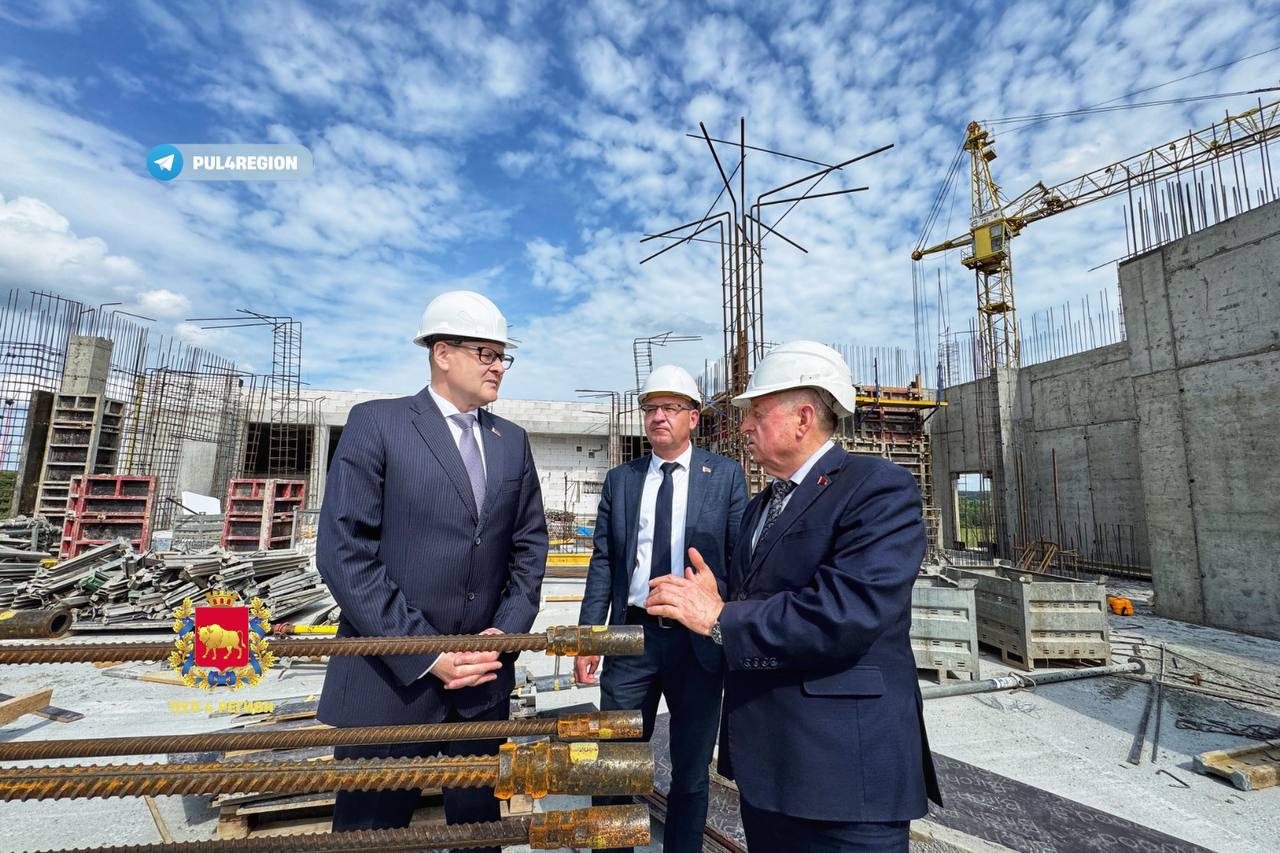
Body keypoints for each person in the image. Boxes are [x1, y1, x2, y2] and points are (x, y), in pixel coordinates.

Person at [645, 341, 942, 853]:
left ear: (803, 418)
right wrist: (721, 602)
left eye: (757, 413)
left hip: (844, 778)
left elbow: (846, 612)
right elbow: (761, 603)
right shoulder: (763, 505)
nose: (743, 427)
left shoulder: (877, 489)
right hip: (770, 774)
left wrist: (721, 617)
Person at [316, 290, 547, 849]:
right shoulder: (378, 423)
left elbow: (529, 548)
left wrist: (502, 635)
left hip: (481, 686)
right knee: (370, 838)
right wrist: (427, 653)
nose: (498, 366)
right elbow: (345, 551)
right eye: (486, 353)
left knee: (478, 835)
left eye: (503, 356)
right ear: (442, 353)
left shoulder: (511, 442)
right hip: (388, 688)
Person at [575, 364, 746, 853]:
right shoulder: (622, 480)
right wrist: (590, 636)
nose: (658, 416)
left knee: (691, 772)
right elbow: (604, 562)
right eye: (650, 408)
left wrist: (728, 626)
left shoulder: (725, 477)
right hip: (632, 637)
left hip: (697, 642)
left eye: (670, 407)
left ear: (693, 417)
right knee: (615, 766)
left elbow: (739, 560)